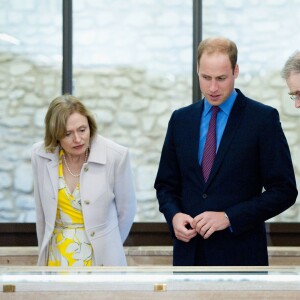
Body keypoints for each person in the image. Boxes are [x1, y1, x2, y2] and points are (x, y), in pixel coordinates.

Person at [154, 37, 298, 266]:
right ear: (197, 72)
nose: (212, 88)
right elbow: (165, 185)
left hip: (242, 257)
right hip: (188, 257)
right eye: (206, 77)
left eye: (221, 78)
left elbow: (284, 190)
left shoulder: (262, 120)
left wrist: (229, 217)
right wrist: (174, 215)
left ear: (235, 71)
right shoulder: (180, 120)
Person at [31, 94, 136, 266]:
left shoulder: (116, 155)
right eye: (67, 133)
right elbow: (41, 213)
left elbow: (127, 211)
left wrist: (109, 245)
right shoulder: (40, 154)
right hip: (56, 258)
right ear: (56, 135)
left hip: (101, 260)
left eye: (82, 130)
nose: (78, 139)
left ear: (90, 126)